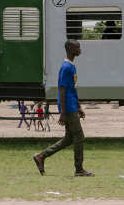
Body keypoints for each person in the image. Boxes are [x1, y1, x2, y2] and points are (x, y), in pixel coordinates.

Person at [33, 40, 93, 176]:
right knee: (79, 137)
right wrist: (63, 113)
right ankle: (79, 169)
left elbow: (73, 89)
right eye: (77, 47)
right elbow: (62, 90)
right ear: (70, 49)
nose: (80, 48)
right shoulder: (66, 67)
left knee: (69, 138)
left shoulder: (72, 66)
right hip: (68, 108)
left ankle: (41, 156)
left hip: (72, 106)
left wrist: (79, 106)